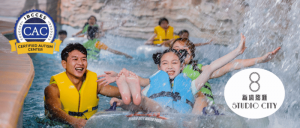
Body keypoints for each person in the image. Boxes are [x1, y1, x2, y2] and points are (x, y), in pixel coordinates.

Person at [98, 34, 280, 113]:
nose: (178, 54)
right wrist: (117, 76)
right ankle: (130, 100)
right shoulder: (163, 71)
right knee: (146, 96)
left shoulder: (198, 70)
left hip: (196, 101)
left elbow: (231, 65)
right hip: (164, 102)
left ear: (191, 55)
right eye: (175, 51)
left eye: (183, 52)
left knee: (200, 97)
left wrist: (261, 59)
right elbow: (147, 82)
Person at [44, 43, 121, 128]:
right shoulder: (53, 88)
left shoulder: (96, 84)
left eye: (84, 59)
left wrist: (121, 78)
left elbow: (122, 93)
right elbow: (54, 110)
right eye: (75, 59)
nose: (80, 63)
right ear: (64, 64)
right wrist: (73, 121)